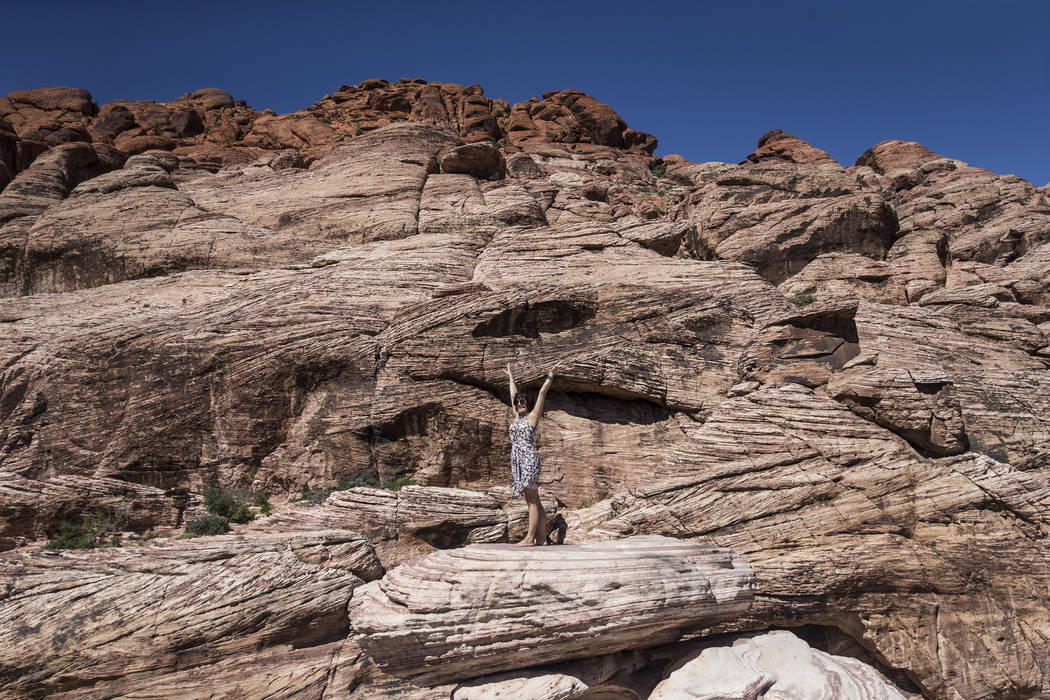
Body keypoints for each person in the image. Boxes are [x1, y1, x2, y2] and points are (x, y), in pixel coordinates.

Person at [506, 362, 561, 546]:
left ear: (527, 404)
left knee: (531, 500)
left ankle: (529, 539)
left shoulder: (532, 417)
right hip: (518, 460)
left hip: (528, 459)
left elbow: (542, 394)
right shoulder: (517, 416)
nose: (520, 404)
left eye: (523, 402)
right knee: (535, 499)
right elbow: (513, 393)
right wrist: (510, 376)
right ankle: (541, 538)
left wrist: (550, 375)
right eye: (518, 402)